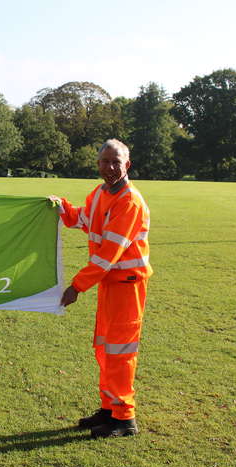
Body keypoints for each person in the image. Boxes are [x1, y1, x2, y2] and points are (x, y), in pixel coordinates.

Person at [50, 139, 152, 438]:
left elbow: (109, 253)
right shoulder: (99, 194)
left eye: (115, 162)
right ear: (97, 164)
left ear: (127, 165)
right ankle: (109, 408)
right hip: (110, 285)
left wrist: (76, 286)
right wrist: (62, 208)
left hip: (127, 285)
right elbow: (83, 218)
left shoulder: (129, 201)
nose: (109, 167)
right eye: (104, 162)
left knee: (120, 351)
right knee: (106, 348)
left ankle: (124, 418)